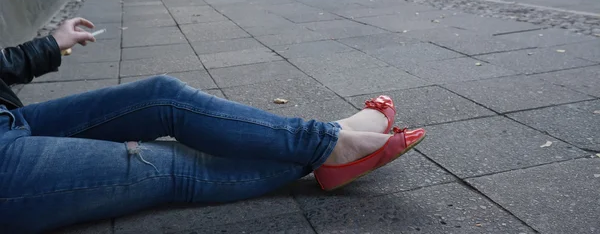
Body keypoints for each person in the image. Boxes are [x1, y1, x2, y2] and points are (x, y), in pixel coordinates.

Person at [0, 18, 425, 233]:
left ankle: (326, 140)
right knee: (170, 164)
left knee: (162, 94)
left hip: (11, 120)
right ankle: (331, 145)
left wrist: (45, 48)